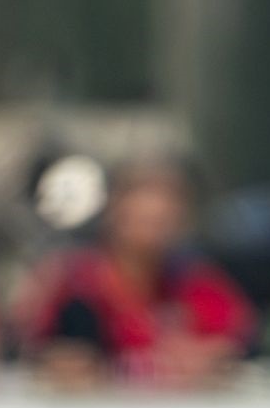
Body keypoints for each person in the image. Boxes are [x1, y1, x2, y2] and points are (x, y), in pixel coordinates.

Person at [20, 156, 256, 388]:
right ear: (115, 211)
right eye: (144, 219)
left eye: (164, 217)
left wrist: (212, 357)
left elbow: (237, 339)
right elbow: (33, 347)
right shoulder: (71, 281)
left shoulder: (195, 280)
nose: (154, 228)